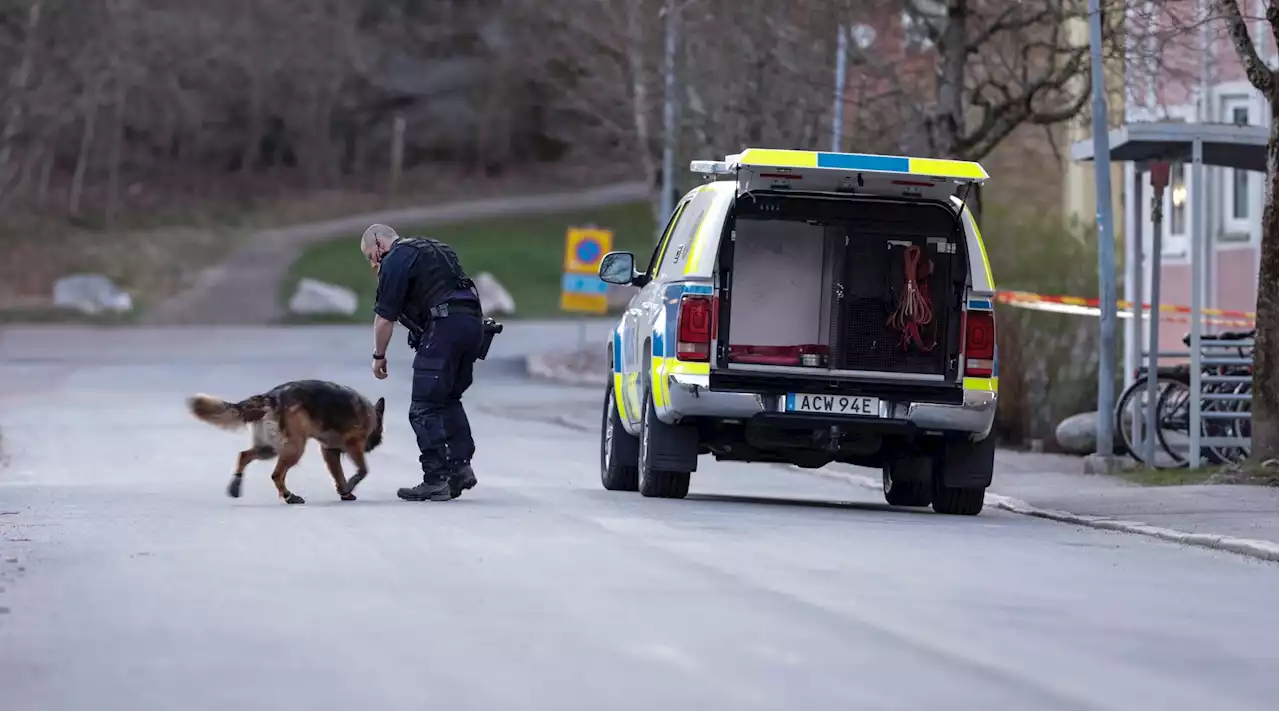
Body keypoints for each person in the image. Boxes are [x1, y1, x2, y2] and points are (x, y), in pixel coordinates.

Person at [360, 223, 483, 502]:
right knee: (449, 398)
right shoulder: (437, 249)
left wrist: (379, 356)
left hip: (445, 327)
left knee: (423, 407)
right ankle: (460, 467)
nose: (372, 264)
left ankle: (436, 479)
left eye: (370, 256)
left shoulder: (395, 259)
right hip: (473, 326)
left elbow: (384, 318)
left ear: (379, 245)